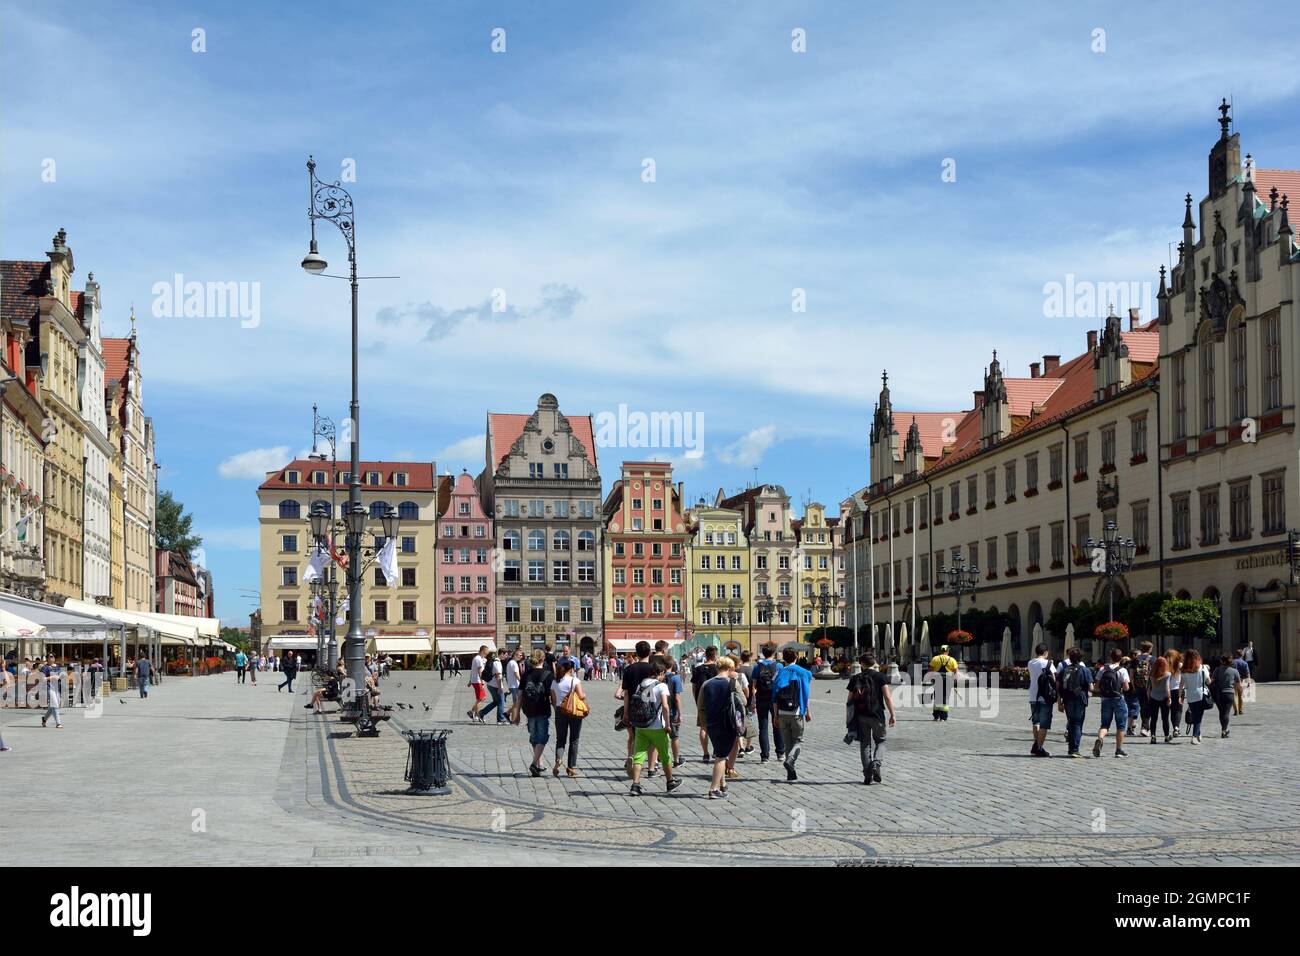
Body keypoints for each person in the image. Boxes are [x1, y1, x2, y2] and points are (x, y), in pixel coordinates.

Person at [627, 660, 682, 796]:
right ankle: (670, 781)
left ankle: (635, 785)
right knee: (665, 755)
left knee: (639, 755)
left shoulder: (642, 684)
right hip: (657, 726)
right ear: (661, 673)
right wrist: (668, 724)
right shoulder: (661, 686)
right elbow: (665, 705)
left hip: (641, 725)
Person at [847, 652, 894, 783]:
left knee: (865, 744)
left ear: (861, 664)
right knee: (881, 741)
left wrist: (849, 719)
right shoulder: (881, 677)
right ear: (874, 662)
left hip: (861, 715)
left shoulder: (855, 678)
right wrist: (893, 714)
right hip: (877, 714)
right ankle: (876, 764)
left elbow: (849, 700)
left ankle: (867, 775)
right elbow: (887, 697)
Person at [699, 656, 741, 798]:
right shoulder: (732, 683)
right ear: (730, 669)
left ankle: (722, 785)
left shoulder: (706, 684)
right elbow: (744, 700)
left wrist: (704, 723)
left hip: (711, 723)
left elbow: (700, 706)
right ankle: (714, 789)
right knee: (722, 756)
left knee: (718, 752)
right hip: (727, 723)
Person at [770, 647, 812, 782]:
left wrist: (776, 715)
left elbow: (774, 696)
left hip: (782, 712)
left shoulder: (779, 673)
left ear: (784, 659)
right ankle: (790, 760)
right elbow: (806, 695)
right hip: (797, 712)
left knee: (787, 743)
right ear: (796, 657)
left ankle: (790, 773)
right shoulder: (804, 672)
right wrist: (807, 712)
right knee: (798, 740)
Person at [512, 650, 554, 776]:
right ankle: (534, 762)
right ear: (543, 659)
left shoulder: (526, 674)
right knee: (543, 737)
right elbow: (553, 696)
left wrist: (516, 713)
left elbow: (519, 696)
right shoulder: (548, 674)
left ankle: (539, 765)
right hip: (542, 709)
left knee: (534, 737)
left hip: (529, 710)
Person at [617, 641, 655, 777]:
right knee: (651, 739)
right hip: (650, 708)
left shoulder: (629, 669)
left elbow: (626, 693)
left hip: (634, 707)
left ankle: (632, 758)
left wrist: (626, 712)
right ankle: (651, 768)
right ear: (649, 652)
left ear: (636, 653)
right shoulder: (653, 669)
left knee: (633, 736)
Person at [551, 658, 587, 777]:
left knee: (560, 739)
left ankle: (558, 759)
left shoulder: (555, 681)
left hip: (560, 711)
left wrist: (556, 709)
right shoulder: (574, 680)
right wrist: (584, 694)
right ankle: (571, 767)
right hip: (573, 712)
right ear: (571, 670)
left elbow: (553, 698)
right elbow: (581, 697)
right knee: (574, 740)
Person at [1092, 648, 1130, 758]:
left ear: (1110, 657)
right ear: (1121, 658)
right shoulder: (1122, 670)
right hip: (1118, 699)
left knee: (1105, 724)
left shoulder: (1103, 669)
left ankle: (1100, 739)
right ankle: (1118, 750)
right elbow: (1126, 687)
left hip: (1105, 699)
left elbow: (1096, 686)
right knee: (1121, 725)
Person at [1056, 647, 1093, 758]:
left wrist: (1059, 701)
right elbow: (1091, 687)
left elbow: (1058, 685)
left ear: (1070, 658)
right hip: (1080, 698)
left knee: (1071, 723)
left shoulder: (1064, 670)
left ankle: (1071, 748)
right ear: (1081, 658)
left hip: (1067, 699)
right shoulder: (1085, 670)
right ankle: (1075, 750)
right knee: (1077, 724)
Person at [751, 643, 785, 762]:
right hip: (775, 699)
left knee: (763, 728)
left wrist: (754, 701)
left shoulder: (757, 666)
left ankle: (765, 756)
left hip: (761, 698)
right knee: (777, 725)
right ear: (774, 653)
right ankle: (780, 753)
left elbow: (753, 686)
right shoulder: (779, 666)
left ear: (763, 653)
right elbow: (782, 684)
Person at [1027, 643, 1057, 757]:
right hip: (1045, 696)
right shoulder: (1048, 663)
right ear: (1046, 652)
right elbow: (1053, 679)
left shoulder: (1030, 663)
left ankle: (1036, 743)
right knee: (1044, 724)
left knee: (1036, 721)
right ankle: (1039, 747)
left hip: (1033, 695)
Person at [691, 646, 720, 763]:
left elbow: (694, 687)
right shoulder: (718, 669)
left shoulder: (698, 669)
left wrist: (697, 699)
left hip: (702, 702)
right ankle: (716, 751)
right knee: (717, 728)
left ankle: (705, 754)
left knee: (703, 728)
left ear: (705, 655)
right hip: (717, 702)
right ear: (715, 655)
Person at [1180, 649, 1211, 744]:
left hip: (1190, 696)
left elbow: (1181, 685)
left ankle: (1198, 734)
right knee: (1198, 717)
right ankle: (1194, 737)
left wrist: (1179, 696)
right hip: (1200, 694)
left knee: (1195, 715)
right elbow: (1208, 681)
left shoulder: (1184, 670)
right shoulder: (1202, 668)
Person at [1210, 655, 1240, 738]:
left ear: (1222, 661)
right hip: (1229, 694)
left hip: (1219, 694)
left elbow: (1211, 681)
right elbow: (1238, 684)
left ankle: (1224, 729)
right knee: (1226, 712)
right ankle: (1224, 730)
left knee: (1222, 712)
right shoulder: (1235, 671)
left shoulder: (1217, 669)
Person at [928, 644, 959, 722]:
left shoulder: (935, 658)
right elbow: (955, 672)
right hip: (948, 680)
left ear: (940, 650)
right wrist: (955, 682)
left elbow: (930, 670)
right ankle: (943, 717)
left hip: (937, 679)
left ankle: (936, 716)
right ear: (948, 651)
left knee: (937, 696)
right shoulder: (952, 660)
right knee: (945, 697)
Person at [1146, 656, 1171, 743]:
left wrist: (1149, 697)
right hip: (1164, 697)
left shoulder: (1152, 674)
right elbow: (1167, 687)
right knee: (1165, 718)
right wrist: (1169, 697)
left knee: (1154, 718)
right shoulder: (1167, 674)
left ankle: (1153, 735)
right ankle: (1166, 736)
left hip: (1153, 697)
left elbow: (1149, 687)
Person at [1131, 641, 1153, 735]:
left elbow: (1131, 675)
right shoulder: (1153, 659)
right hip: (1150, 686)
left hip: (1138, 685)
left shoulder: (1135, 659)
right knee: (1149, 705)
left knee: (1142, 705)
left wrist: (1134, 686)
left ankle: (1144, 727)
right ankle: (1146, 727)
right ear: (1150, 649)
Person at [478, 650, 507, 724]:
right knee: (501, 702)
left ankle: (481, 713)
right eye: (505, 655)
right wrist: (500, 688)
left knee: (496, 702)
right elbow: (498, 676)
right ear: (501, 654)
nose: (506, 656)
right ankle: (501, 719)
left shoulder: (495, 661)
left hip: (491, 684)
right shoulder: (497, 663)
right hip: (495, 686)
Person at [40, 656, 64, 729]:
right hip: (48, 687)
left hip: (56, 688)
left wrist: (61, 676)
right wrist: (52, 677)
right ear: (47, 658)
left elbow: (60, 676)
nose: (51, 658)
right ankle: (58, 723)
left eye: (52, 656)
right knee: (55, 705)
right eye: (50, 657)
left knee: (53, 706)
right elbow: (42, 679)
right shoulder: (45, 667)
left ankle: (44, 719)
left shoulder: (57, 667)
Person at [467, 645, 489, 722]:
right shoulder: (478, 659)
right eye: (487, 651)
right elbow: (480, 671)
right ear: (483, 651)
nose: (488, 653)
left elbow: (473, 670)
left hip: (475, 680)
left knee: (480, 698)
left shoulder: (477, 658)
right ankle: (478, 714)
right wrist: (482, 681)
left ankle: (472, 712)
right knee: (481, 698)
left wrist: (470, 681)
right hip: (478, 681)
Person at [1165, 649, 1184, 738]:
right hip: (1179, 689)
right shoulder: (1180, 665)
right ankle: (1176, 727)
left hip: (1168, 690)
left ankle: (1173, 727)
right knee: (1178, 710)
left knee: (1171, 710)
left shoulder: (1165, 665)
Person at [1231, 648, 1250, 715]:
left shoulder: (1233, 662)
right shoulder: (1245, 663)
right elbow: (1247, 673)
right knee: (1240, 696)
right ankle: (1240, 710)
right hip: (1241, 680)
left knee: (1234, 696)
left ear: (1236, 655)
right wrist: (1249, 681)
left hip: (1233, 680)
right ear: (1242, 655)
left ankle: (1235, 710)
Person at [505, 650, 523, 719]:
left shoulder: (511, 662)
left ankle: (508, 714)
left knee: (516, 703)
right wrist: (522, 682)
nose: (521, 656)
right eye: (520, 655)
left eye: (521, 655)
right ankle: (512, 718)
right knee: (516, 703)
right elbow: (517, 675)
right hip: (515, 686)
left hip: (513, 685)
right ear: (515, 655)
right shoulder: (513, 663)